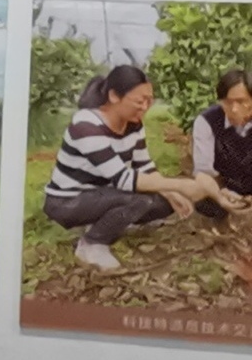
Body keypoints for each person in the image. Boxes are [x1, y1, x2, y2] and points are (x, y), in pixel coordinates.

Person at [43, 64, 224, 271]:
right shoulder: (86, 126)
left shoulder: (133, 125)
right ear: (114, 96)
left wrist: (171, 192)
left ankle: (110, 221)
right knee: (140, 200)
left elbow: (144, 166)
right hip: (67, 202)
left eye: (149, 101)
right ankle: (92, 244)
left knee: (168, 201)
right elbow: (124, 179)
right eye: (140, 101)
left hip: (105, 194)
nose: (145, 107)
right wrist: (180, 185)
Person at [194, 69, 252, 203]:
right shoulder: (207, 122)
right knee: (203, 200)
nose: (234, 109)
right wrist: (220, 196)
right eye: (227, 102)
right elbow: (203, 173)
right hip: (224, 192)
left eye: (241, 101)